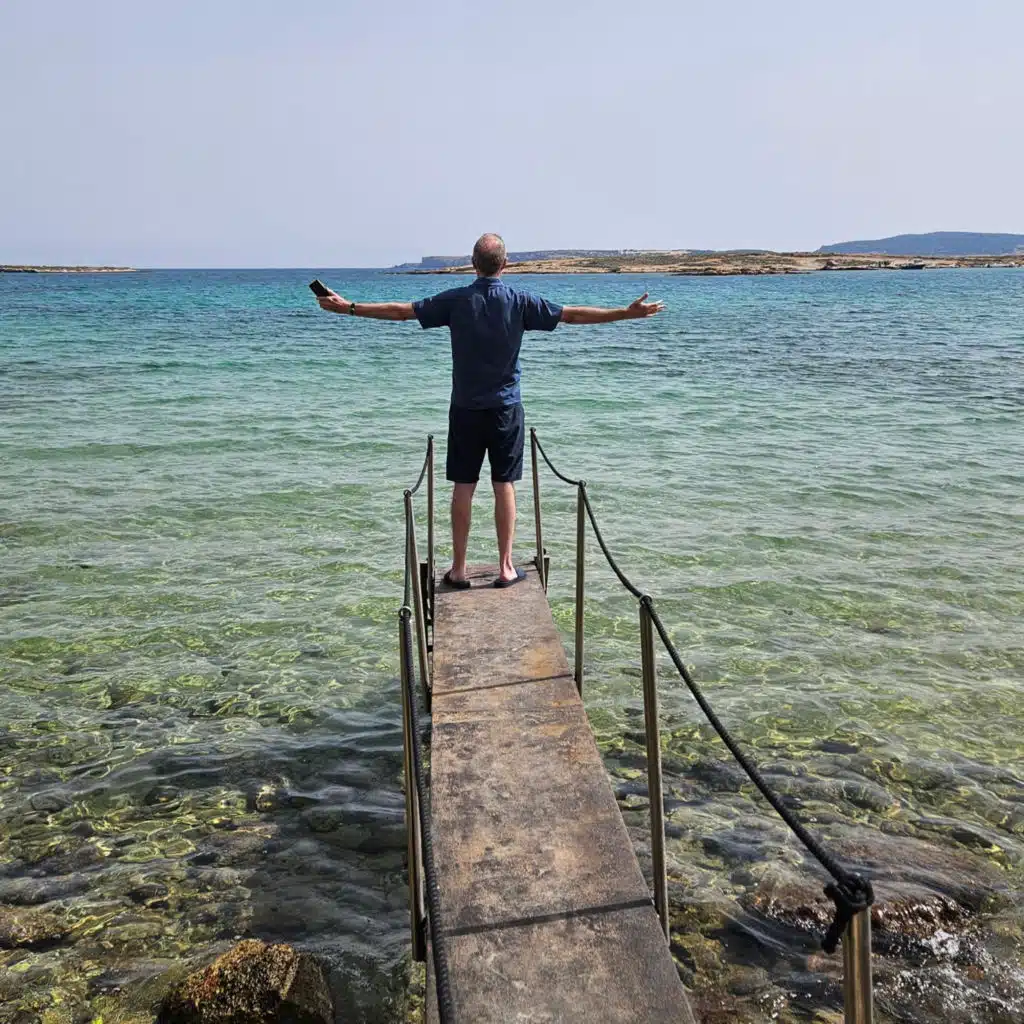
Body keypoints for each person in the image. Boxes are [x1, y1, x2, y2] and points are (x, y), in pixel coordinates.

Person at [316, 233, 664, 588]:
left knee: (463, 486)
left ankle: (459, 569)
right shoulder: (520, 301)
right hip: (506, 410)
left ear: (473, 263)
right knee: (504, 485)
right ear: (505, 264)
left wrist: (349, 307)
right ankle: (505, 567)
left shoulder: (456, 300)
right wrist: (625, 314)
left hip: (465, 409)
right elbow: (571, 315)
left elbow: (401, 312)